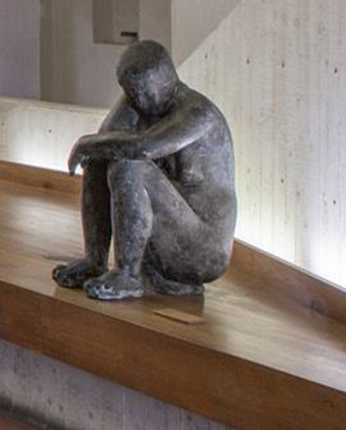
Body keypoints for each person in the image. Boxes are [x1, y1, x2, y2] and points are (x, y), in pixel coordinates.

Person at [52, 41, 237, 301]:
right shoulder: (140, 102)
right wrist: (92, 145)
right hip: (166, 233)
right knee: (99, 158)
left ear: (164, 80)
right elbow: (106, 139)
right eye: (129, 92)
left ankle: (127, 275)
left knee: (129, 163)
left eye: (141, 91)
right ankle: (94, 261)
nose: (135, 99)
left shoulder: (198, 113)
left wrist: (86, 144)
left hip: (203, 249)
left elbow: (145, 146)